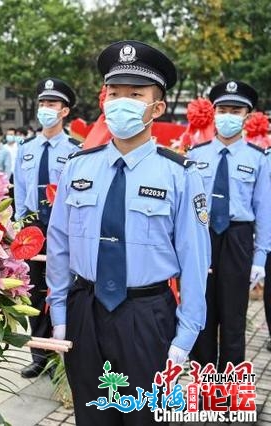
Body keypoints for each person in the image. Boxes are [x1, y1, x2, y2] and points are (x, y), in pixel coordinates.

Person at [46, 41, 211, 426]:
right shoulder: (78, 167)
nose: (122, 103)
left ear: (157, 107)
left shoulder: (181, 174)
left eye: (135, 94)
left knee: (145, 419)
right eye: (115, 93)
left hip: (146, 316)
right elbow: (59, 245)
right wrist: (59, 312)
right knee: (91, 414)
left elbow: (195, 259)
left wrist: (185, 335)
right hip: (85, 309)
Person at [188, 81, 271, 372]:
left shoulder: (259, 159)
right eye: (222, 109)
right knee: (202, 315)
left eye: (235, 110)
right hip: (203, 236)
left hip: (238, 237)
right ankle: (203, 386)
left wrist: (260, 258)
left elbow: (264, 210)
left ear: (246, 116)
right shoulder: (195, 155)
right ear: (213, 112)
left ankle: (229, 392)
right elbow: (187, 207)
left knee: (234, 318)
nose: (227, 116)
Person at [13, 77, 81, 378]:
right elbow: (19, 194)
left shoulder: (76, 150)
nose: (45, 109)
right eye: (42, 103)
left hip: (62, 224)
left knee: (63, 289)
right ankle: (40, 355)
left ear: (64, 111)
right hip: (32, 226)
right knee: (34, 292)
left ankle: (61, 355)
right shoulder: (25, 148)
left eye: (51, 104)